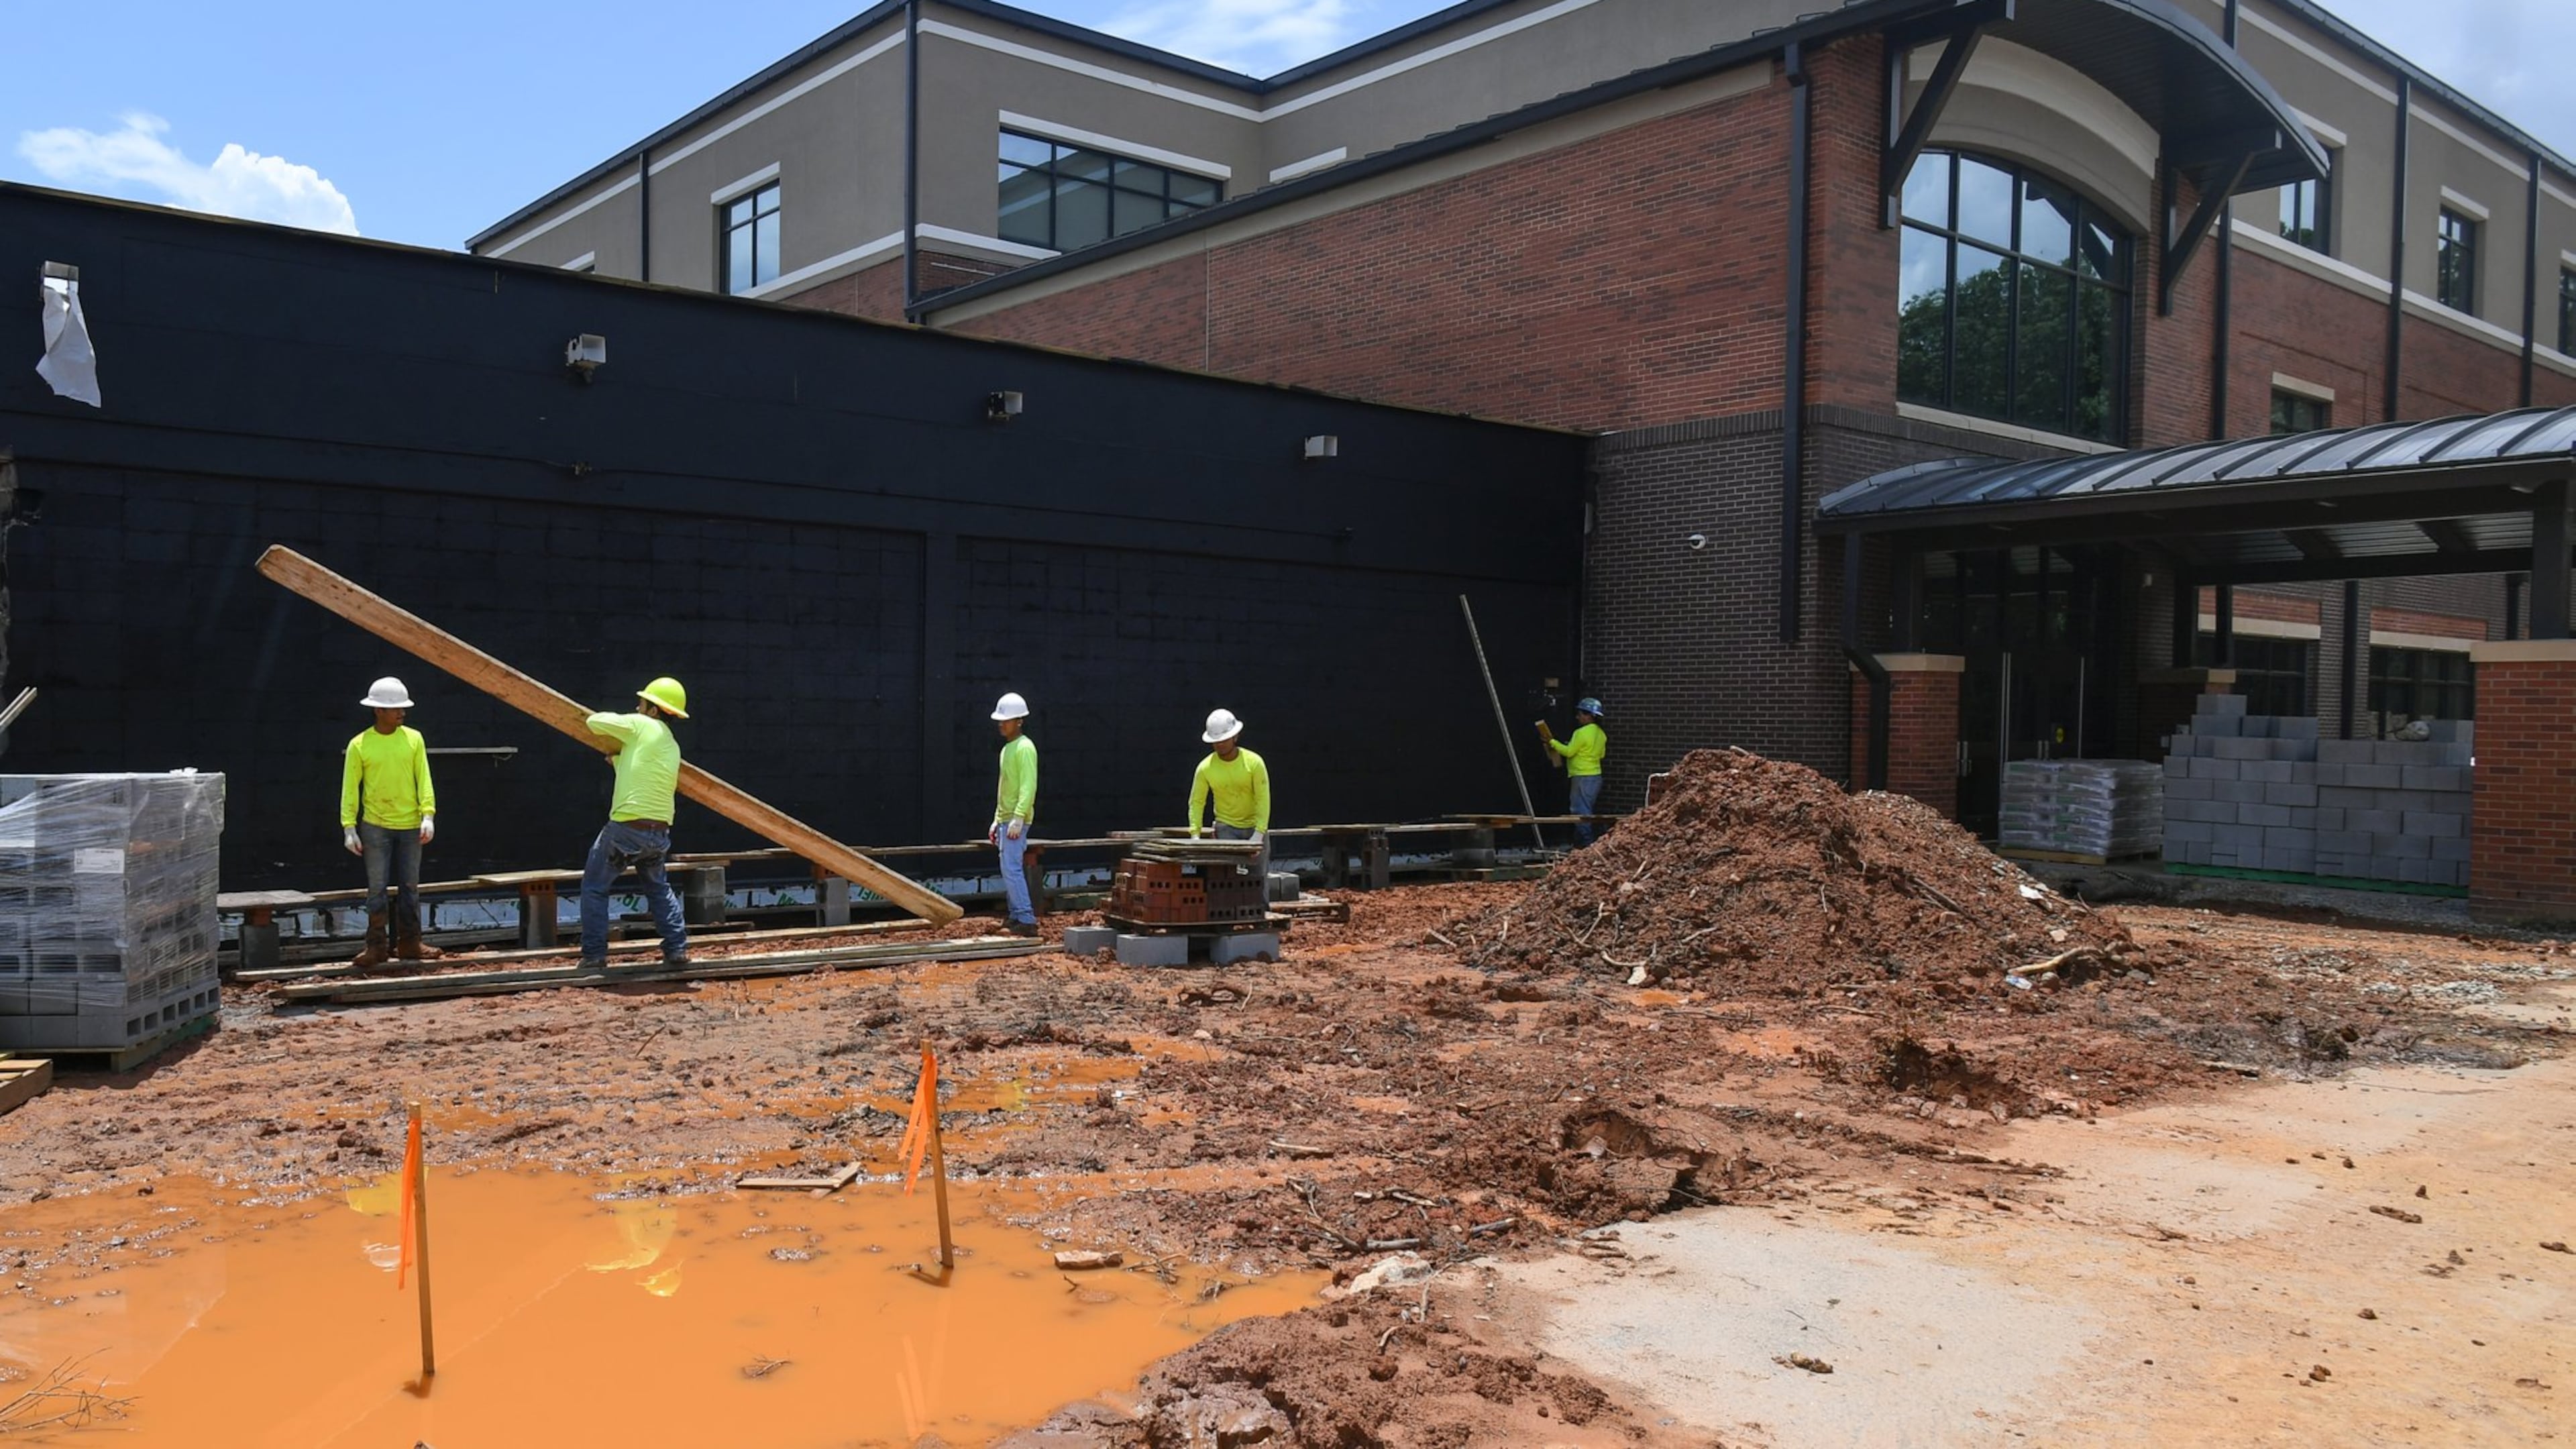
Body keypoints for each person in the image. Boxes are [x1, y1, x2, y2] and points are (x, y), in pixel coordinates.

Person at [577, 677, 691, 970]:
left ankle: (593, 956)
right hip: (658, 832)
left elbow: (595, 722)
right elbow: (646, 772)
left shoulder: (642, 726)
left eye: (642, 704)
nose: (637, 707)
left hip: (626, 830)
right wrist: (620, 759)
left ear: (654, 710)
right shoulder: (671, 745)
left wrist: (626, 729)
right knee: (658, 888)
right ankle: (676, 949)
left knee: (594, 887)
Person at [339, 676, 437, 966]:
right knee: (377, 889)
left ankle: (411, 943)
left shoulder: (414, 739)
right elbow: (350, 787)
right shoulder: (360, 745)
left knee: (410, 886)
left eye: (402, 709)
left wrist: (428, 814)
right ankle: (376, 947)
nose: (402, 713)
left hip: (410, 825)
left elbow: (424, 778)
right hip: (375, 825)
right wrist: (349, 827)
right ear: (378, 711)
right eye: (395, 709)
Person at [1187, 708, 1271, 879]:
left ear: (1235, 737)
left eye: (1224, 740)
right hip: (1225, 827)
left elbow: (1263, 799)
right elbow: (1196, 802)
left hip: (1254, 826)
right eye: (1216, 741)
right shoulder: (1205, 768)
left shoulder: (1254, 763)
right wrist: (1195, 835)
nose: (1220, 744)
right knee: (1225, 879)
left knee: (1258, 880)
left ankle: (1260, 907)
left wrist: (1259, 834)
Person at [989, 692, 1041, 938]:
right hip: (1007, 820)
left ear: (1019, 720)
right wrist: (997, 819)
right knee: (1009, 869)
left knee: (1012, 869)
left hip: (1015, 820)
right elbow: (1004, 786)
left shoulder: (1024, 748)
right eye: (1001, 720)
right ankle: (1016, 916)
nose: (1002, 724)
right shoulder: (1009, 749)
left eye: (1006, 720)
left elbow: (1028, 786)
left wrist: (1019, 817)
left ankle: (1026, 918)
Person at [1536, 697, 1608, 845]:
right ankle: (1580, 846)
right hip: (1595, 777)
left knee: (1579, 812)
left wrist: (1551, 742)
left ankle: (1587, 846)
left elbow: (1569, 752)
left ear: (1589, 715)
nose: (1578, 717)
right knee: (1585, 810)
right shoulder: (1601, 734)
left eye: (1580, 714)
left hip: (1582, 776)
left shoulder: (1581, 733)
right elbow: (1602, 755)